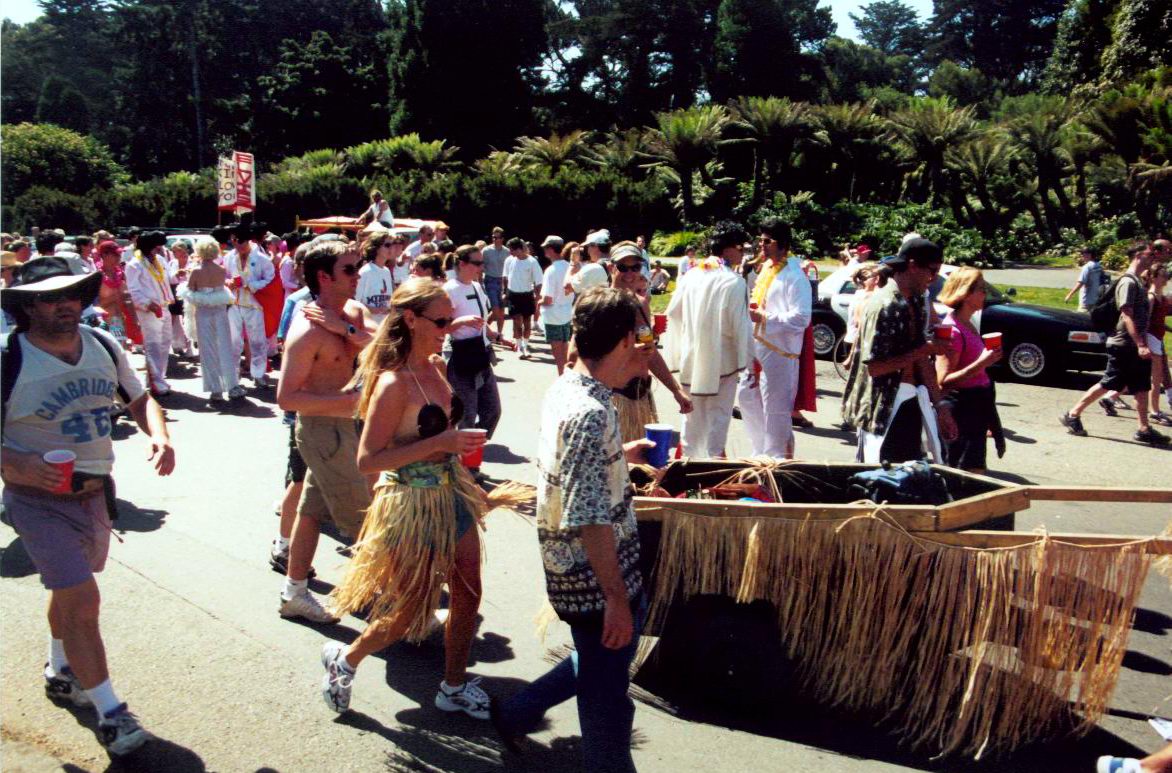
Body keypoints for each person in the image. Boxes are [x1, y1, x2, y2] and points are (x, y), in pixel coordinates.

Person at [0, 257, 175, 756]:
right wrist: (16, 462)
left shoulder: (102, 344)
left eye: (73, 294)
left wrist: (160, 435)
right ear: (28, 307)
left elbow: (140, 400)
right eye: (52, 297)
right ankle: (112, 714)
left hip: (95, 496)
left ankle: (60, 670)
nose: (67, 304)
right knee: (82, 600)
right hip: (36, 502)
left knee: (69, 591)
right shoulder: (8, 359)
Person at [492, 287, 656, 772]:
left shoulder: (570, 386)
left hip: (579, 571)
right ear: (625, 341)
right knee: (608, 703)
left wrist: (619, 457)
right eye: (644, 337)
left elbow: (572, 472)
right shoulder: (589, 413)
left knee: (599, 655)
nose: (648, 347)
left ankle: (517, 712)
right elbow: (588, 516)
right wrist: (616, 599)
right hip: (595, 577)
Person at [321, 277, 492, 718]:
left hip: (451, 493)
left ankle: (453, 685)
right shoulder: (393, 383)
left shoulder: (435, 366)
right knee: (410, 610)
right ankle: (346, 658)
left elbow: (445, 440)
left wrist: (463, 472)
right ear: (412, 319)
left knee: (469, 592)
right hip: (409, 504)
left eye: (451, 320)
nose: (449, 329)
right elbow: (368, 460)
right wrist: (442, 443)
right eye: (442, 321)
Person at [276, 240, 377, 623]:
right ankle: (385, 601)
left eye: (357, 267)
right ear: (324, 276)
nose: (357, 276)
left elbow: (389, 347)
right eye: (349, 269)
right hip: (326, 433)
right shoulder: (307, 331)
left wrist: (347, 329)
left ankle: (294, 593)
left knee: (312, 511)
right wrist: (348, 401)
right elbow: (286, 398)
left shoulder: (354, 312)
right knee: (365, 521)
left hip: (349, 428)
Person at [841, 239, 958, 463]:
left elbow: (922, 360)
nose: (934, 278)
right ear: (912, 266)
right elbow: (875, 368)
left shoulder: (916, 301)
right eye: (932, 271)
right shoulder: (884, 304)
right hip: (883, 409)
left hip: (910, 402)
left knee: (912, 475)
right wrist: (925, 349)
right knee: (880, 477)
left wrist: (941, 406)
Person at [1061, 242, 1169, 445]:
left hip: (1136, 344)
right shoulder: (1128, 282)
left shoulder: (1138, 281)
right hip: (1124, 344)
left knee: (1141, 386)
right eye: (1149, 253)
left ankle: (1144, 429)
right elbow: (1126, 314)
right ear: (1138, 255)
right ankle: (1072, 414)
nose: (1153, 256)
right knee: (1109, 383)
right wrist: (1140, 343)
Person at [664, 221, 751, 457]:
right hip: (722, 361)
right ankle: (712, 465)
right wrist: (747, 361)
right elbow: (740, 326)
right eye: (741, 248)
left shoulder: (691, 275)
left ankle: (689, 464)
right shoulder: (734, 281)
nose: (743, 254)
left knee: (691, 419)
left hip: (692, 357)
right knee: (718, 418)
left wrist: (686, 339)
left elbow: (673, 312)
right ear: (728, 249)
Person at [735, 220, 812, 459]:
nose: (762, 245)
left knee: (775, 410)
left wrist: (764, 317)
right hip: (757, 346)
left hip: (781, 352)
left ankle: (776, 459)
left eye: (767, 241)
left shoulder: (795, 276)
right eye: (761, 240)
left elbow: (802, 318)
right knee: (747, 398)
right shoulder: (767, 269)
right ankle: (760, 452)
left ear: (783, 244)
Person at [603, 242, 692, 442]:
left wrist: (676, 390)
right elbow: (582, 356)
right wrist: (628, 350)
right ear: (611, 268)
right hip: (614, 399)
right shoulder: (601, 304)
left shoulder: (641, 304)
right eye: (623, 267)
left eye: (635, 267)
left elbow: (649, 353)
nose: (630, 273)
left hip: (640, 399)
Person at [443, 246, 509, 462]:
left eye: (482, 263)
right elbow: (439, 327)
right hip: (461, 357)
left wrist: (496, 336)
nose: (482, 267)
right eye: (477, 263)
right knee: (467, 415)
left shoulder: (477, 286)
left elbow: (481, 321)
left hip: (481, 354)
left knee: (492, 411)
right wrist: (459, 322)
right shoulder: (449, 290)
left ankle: (466, 448)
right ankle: (468, 464)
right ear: (462, 264)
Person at [935, 268, 1004, 473]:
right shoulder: (953, 331)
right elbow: (943, 381)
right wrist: (982, 363)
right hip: (962, 409)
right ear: (965, 293)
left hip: (977, 406)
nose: (985, 293)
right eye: (981, 289)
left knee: (975, 471)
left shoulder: (968, 323)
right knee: (965, 474)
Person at [183, 238, 242, 402]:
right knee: (224, 347)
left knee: (208, 349)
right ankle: (231, 385)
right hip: (220, 312)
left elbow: (190, 293)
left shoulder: (196, 271)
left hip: (203, 313)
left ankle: (215, 389)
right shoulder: (221, 270)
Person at [123, 231, 175, 396]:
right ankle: (156, 383)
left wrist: (178, 276)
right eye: (156, 247)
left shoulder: (160, 260)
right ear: (147, 247)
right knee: (153, 345)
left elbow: (168, 278)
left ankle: (159, 377)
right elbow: (133, 290)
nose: (159, 250)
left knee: (165, 343)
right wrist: (147, 304)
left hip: (165, 307)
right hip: (149, 310)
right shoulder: (134, 265)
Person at [224, 223, 275, 389]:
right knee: (233, 341)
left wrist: (251, 285)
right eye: (233, 241)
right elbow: (224, 275)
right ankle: (233, 376)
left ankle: (258, 374)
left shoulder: (262, 258)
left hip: (254, 304)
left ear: (247, 240)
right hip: (234, 303)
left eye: (239, 242)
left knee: (257, 341)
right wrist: (228, 282)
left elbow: (270, 279)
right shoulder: (229, 257)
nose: (236, 245)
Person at [94, 241, 142, 350]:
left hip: (118, 321)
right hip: (103, 323)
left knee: (119, 351)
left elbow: (128, 298)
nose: (119, 257)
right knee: (108, 351)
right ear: (105, 255)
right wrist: (115, 298)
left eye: (119, 254)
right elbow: (94, 305)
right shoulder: (97, 277)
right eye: (115, 254)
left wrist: (135, 320)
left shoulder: (120, 274)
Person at [503, 237, 543, 358]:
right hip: (513, 295)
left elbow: (538, 281)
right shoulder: (509, 260)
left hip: (527, 295)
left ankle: (525, 346)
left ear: (519, 249)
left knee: (527, 322)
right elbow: (505, 277)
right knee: (517, 321)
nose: (510, 252)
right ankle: (519, 347)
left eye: (512, 250)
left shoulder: (532, 262)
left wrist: (538, 296)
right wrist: (505, 292)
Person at [541, 240, 575, 374]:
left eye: (545, 248)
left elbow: (547, 299)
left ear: (551, 249)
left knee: (558, 353)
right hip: (566, 313)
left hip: (553, 316)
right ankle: (566, 376)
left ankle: (562, 378)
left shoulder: (551, 270)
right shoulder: (570, 267)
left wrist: (538, 302)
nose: (544, 250)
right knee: (565, 348)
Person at [1146, 261, 1171, 426]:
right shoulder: (1151, 297)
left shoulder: (1161, 297)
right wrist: (1143, 344)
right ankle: (1154, 412)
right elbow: (1146, 322)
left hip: (1157, 339)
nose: (1166, 279)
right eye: (1163, 276)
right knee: (1156, 379)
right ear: (1153, 278)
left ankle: (1110, 397)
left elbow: (1158, 320)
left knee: (1156, 377)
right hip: (1152, 340)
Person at [356, 231, 395, 323]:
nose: (392, 248)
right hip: (368, 324)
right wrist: (375, 310)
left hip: (383, 324)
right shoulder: (365, 271)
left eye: (392, 244)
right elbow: (355, 303)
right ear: (376, 248)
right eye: (387, 245)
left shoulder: (386, 271)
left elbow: (388, 300)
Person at [167, 240, 195, 357]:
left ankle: (189, 347)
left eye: (176, 251)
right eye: (173, 251)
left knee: (187, 319)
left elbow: (195, 277)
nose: (174, 253)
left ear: (183, 250)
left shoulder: (192, 261)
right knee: (171, 320)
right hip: (174, 292)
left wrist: (186, 274)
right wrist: (176, 274)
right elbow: (169, 278)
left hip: (188, 292)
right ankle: (172, 344)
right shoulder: (172, 263)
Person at [481, 227, 510, 341]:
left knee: (501, 310)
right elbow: (481, 266)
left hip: (503, 281)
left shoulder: (507, 251)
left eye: (497, 237)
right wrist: (479, 281)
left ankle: (497, 333)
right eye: (493, 237)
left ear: (502, 239)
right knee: (495, 308)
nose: (494, 239)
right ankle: (491, 333)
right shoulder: (486, 251)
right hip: (490, 280)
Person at [1065, 247, 1105, 312]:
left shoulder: (1087, 267)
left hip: (1086, 300)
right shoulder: (1098, 266)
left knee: (1082, 317)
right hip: (1096, 299)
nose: (1082, 256)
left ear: (1089, 255)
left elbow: (1080, 283)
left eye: (1083, 254)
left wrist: (1069, 295)